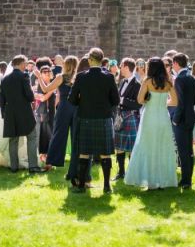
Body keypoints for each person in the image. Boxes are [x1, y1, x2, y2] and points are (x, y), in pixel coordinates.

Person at [68, 47, 120, 193]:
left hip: (85, 118)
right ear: (101, 60)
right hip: (104, 119)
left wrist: (83, 104)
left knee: (84, 152)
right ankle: (106, 186)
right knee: (105, 153)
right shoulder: (109, 77)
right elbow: (116, 100)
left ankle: (81, 186)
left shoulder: (81, 77)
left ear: (90, 60)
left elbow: (71, 100)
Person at [125, 58, 179, 189]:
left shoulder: (148, 81)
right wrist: (163, 103)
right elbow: (175, 102)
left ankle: (150, 180)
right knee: (162, 147)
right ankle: (161, 181)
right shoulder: (168, 82)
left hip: (149, 116)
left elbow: (139, 100)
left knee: (148, 146)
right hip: (163, 117)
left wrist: (150, 101)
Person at [0, 55, 45, 173]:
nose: (26, 66)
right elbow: (30, 96)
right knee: (32, 137)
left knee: (13, 140)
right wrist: (32, 95)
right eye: (25, 63)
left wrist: (3, 114)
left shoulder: (5, 79)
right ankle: (33, 166)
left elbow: (2, 98)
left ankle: (14, 167)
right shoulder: (24, 76)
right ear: (20, 63)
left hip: (10, 113)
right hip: (24, 112)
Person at [113, 58, 142, 180]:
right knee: (119, 146)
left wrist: (123, 100)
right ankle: (121, 172)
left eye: (121, 66)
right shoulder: (122, 82)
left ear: (126, 66)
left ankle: (132, 172)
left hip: (131, 116)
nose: (120, 69)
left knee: (131, 146)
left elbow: (139, 104)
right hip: (120, 116)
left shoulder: (137, 84)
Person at [172, 53, 195, 188]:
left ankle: (186, 180)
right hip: (191, 117)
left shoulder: (180, 79)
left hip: (181, 119)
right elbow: (194, 99)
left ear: (176, 63)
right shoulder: (191, 77)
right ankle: (188, 178)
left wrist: (175, 119)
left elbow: (180, 102)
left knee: (183, 151)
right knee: (189, 151)